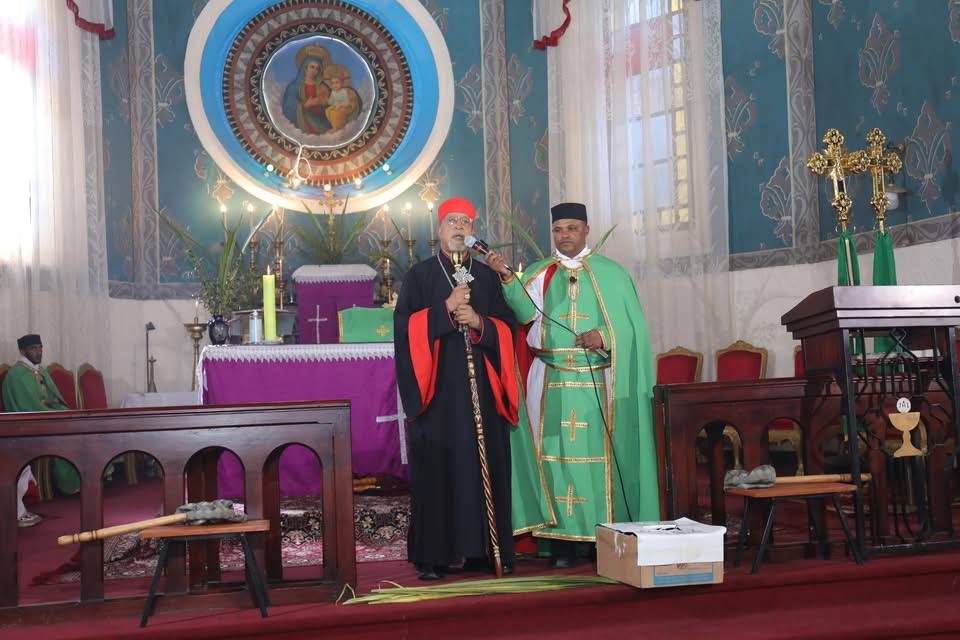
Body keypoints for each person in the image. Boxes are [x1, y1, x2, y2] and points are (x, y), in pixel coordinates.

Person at [485, 202, 660, 567]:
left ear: (586, 230)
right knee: (553, 460)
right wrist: (507, 279)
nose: (564, 235)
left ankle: (600, 540)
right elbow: (524, 314)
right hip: (550, 380)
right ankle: (560, 545)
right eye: (558, 230)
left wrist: (604, 335)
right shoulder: (541, 272)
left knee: (599, 462)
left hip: (597, 380)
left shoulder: (612, 274)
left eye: (571, 228)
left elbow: (634, 330)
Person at [393, 197, 551, 580]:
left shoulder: (485, 276)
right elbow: (404, 330)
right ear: (439, 229)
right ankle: (434, 556)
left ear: (473, 230)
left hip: (482, 389)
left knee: (485, 467)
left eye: (465, 222)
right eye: (452, 221)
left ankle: (485, 549)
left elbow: (509, 328)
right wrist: (445, 310)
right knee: (438, 471)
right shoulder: (419, 276)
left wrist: (480, 322)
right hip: (437, 396)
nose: (459, 228)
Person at [3, 333, 81, 521]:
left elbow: (53, 400)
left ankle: (83, 479)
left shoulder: (39, 371)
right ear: (23, 351)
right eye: (33, 349)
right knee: (68, 430)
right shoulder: (17, 375)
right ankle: (69, 483)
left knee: (78, 424)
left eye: (40, 348)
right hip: (28, 425)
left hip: (46, 417)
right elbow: (29, 408)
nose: (38, 352)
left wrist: (64, 412)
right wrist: (57, 415)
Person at [281, 44, 332, 134]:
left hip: (322, 120)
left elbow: (332, 103)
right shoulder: (294, 86)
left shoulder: (323, 86)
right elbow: (288, 107)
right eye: (312, 67)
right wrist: (305, 105)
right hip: (304, 121)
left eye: (317, 68)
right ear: (305, 68)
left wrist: (323, 102)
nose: (314, 71)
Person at [323, 64, 362, 131]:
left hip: (345, 107)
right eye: (333, 83)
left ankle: (337, 127)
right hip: (336, 106)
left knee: (336, 113)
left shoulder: (343, 91)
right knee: (328, 110)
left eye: (337, 82)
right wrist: (328, 101)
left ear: (341, 83)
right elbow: (331, 101)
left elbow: (346, 102)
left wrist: (340, 105)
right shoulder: (333, 92)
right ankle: (334, 125)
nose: (335, 85)